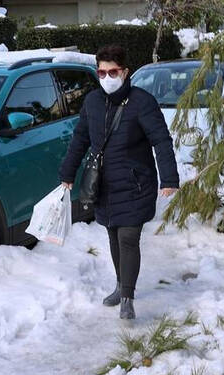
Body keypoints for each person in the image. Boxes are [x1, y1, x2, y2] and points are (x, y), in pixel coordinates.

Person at [59, 45, 179, 320]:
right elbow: (80, 139)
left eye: (112, 72)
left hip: (136, 183)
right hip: (104, 185)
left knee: (128, 238)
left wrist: (169, 178)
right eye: (101, 73)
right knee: (113, 234)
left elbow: (161, 140)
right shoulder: (92, 102)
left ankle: (127, 297)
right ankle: (119, 284)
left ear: (125, 72)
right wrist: (67, 173)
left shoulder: (142, 102)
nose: (107, 78)